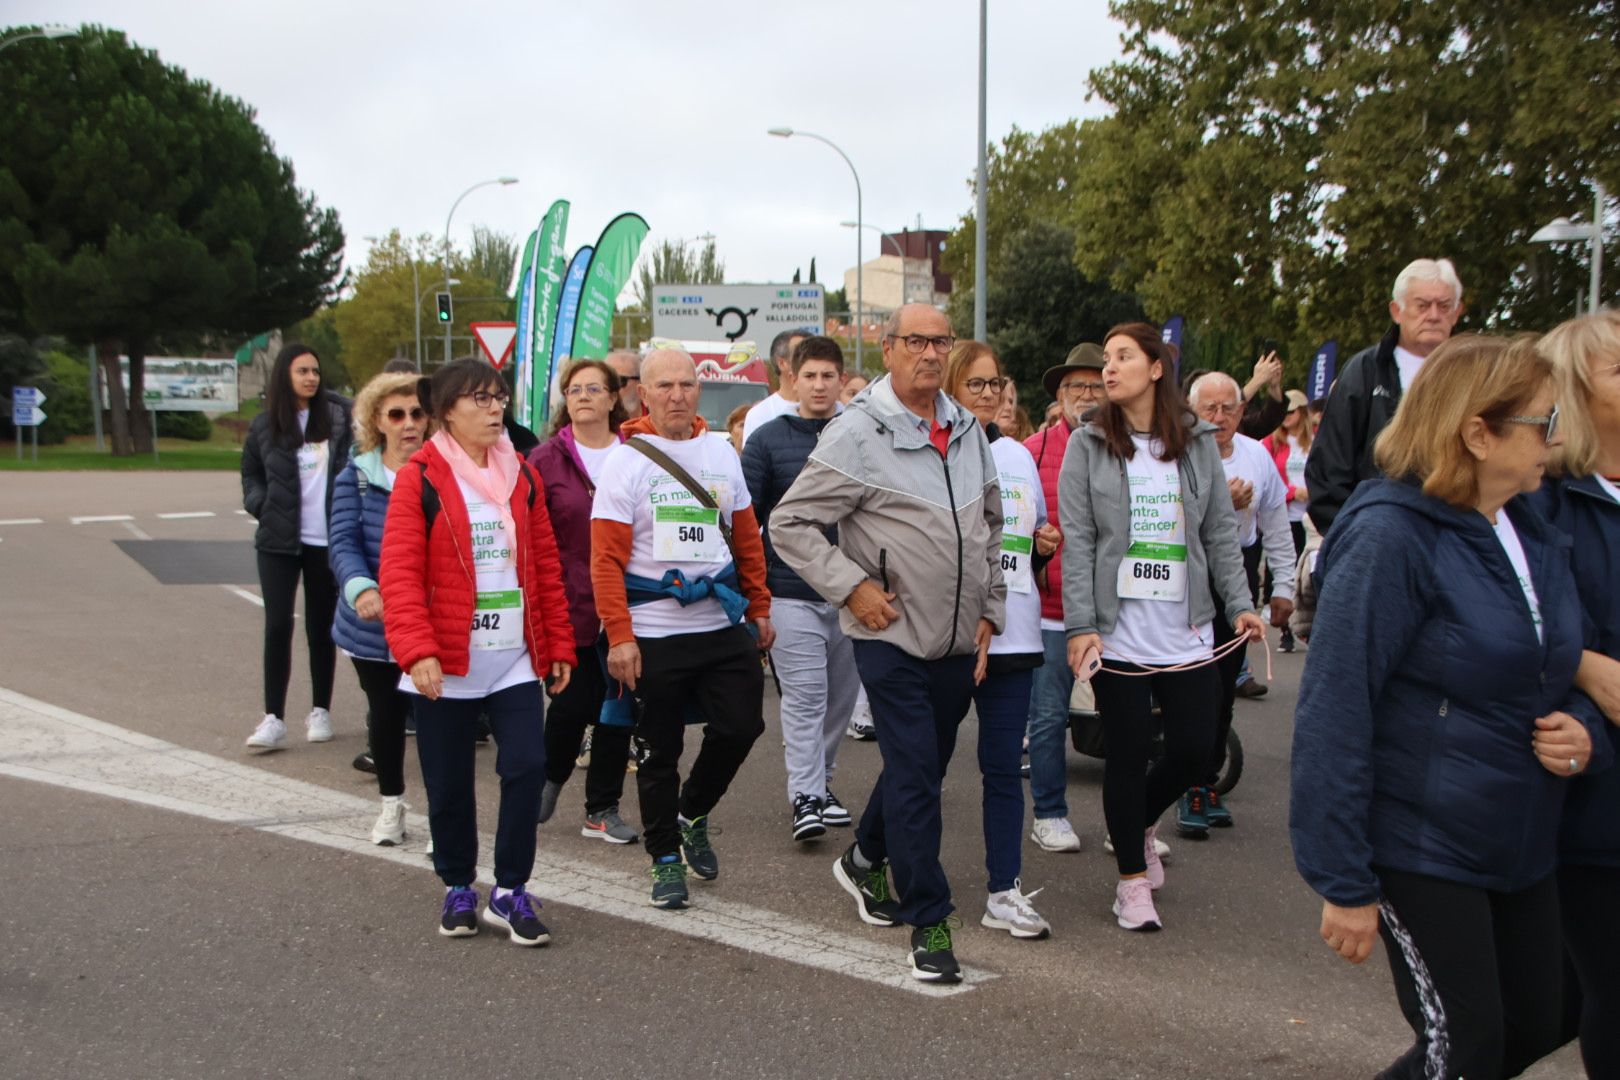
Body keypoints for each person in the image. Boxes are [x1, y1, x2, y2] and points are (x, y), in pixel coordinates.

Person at [1291, 334, 1604, 1079]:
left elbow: (1560, 664)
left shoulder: (1529, 524)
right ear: (1476, 432)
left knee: (1544, 1014)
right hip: (1420, 844)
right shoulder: (1389, 536)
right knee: (1466, 1046)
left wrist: (1587, 731)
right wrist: (1343, 878)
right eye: (1541, 422)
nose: (1556, 440)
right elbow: (1335, 708)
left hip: (1518, 835)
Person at [772, 303, 1005, 983]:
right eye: (915, 341)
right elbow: (788, 525)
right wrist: (851, 588)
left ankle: (862, 858)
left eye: (941, 341)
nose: (929, 353)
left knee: (921, 769)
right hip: (890, 635)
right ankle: (929, 920)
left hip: (959, 638)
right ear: (889, 347)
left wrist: (991, 608)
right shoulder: (856, 433)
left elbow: (990, 523)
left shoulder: (966, 429)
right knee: (914, 776)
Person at [1060, 322, 1265, 933]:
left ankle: (1141, 822)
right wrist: (1080, 626)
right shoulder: (1088, 442)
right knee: (1124, 754)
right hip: (1116, 630)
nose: (1109, 368)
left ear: (1156, 368)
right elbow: (1080, 543)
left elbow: (1220, 534)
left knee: (1194, 748)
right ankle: (1129, 883)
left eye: (1124, 357)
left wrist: (1242, 604)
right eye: (1107, 359)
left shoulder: (1196, 441)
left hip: (1188, 627)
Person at [379, 358, 576, 945]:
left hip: (511, 655)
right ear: (446, 412)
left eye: (500, 398)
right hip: (444, 659)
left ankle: (511, 890)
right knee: (448, 781)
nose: (495, 409)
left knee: (527, 765)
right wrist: (417, 650)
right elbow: (400, 573)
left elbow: (543, 566)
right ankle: (458, 884)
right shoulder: (421, 478)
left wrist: (558, 643)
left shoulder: (523, 475)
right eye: (480, 400)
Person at [590, 347, 774, 910]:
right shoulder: (625, 462)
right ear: (642, 394)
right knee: (657, 750)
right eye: (664, 386)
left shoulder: (721, 452)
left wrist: (759, 606)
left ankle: (691, 810)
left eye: (687, 385)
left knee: (743, 725)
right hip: (652, 628)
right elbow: (604, 560)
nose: (677, 395)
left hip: (717, 618)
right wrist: (619, 636)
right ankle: (665, 859)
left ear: (699, 390)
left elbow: (745, 538)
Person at [1529, 311, 1620, 1077]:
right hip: (1589, 782)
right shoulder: (1544, 498)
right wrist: (1586, 665)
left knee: (1542, 1008)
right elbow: (1508, 619)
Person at [947, 340, 1060, 939]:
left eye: (996, 385)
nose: (990, 394)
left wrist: (1041, 548)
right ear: (949, 388)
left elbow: (1017, 548)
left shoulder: (1017, 455)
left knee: (1000, 771)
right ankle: (870, 854)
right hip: (952, 637)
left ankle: (1003, 890)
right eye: (977, 384)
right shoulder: (935, 451)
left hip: (1014, 633)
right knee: (923, 762)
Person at [741, 336, 859, 842]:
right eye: (809, 375)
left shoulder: (861, 436)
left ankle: (824, 783)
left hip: (856, 593)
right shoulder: (767, 438)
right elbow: (745, 518)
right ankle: (805, 797)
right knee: (806, 698)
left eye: (828, 375)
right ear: (792, 376)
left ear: (839, 380)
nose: (818, 384)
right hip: (789, 591)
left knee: (840, 701)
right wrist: (754, 595)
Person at [527, 359, 638, 845]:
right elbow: (531, 538)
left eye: (595, 388)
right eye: (575, 390)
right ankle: (548, 780)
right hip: (569, 603)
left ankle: (602, 809)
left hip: (629, 602)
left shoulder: (637, 453)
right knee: (571, 706)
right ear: (565, 400)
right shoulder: (544, 460)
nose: (585, 396)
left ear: (615, 398)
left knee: (618, 708)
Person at [1179, 372, 1294, 835]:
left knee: (1225, 683)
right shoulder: (1179, 451)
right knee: (1190, 681)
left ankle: (1205, 781)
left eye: (1229, 408)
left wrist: (1284, 584)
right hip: (1186, 570)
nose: (1219, 417)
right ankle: (1183, 780)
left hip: (1238, 570)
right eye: (1209, 408)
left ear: (1242, 411)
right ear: (1191, 411)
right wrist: (1220, 505)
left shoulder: (1258, 455)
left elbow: (1277, 523)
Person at [328, 372, 425, 845]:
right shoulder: (357, 477)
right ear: (377, 421)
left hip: (431, 619)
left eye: (417, 413)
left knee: (435, 718)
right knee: (385, 716)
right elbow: (343, 542)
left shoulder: (443, 473)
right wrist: (362, 588)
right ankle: (391, 805)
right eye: (397, 414)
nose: (409, 423)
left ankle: (443, 818)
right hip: (374, 624)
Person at [241, 343, 353, 750]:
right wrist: (261, 505)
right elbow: (250, 475)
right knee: (277, 626)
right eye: (302, 371)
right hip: (278, 541)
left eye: (315, 371)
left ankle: (320, 710)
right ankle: (274, 717)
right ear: (284, 375)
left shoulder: (337, 419)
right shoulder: (264, 427)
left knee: (320, 628)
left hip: (324, 541)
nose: (311, 378)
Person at [1022, 342, 1107, 854]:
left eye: (1097, 385)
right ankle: (1050, 813)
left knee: (1126, 721)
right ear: (1060, 394)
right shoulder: (1032, 451)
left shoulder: (1127, 448)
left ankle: (1132, 823)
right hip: (1050, 613)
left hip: (1113, 612)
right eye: (1077, 386)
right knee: (1049, 718)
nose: (1087, 394)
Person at [1306, 258, 1464, 532]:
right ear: (1397, 311)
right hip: (1378, 536)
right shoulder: (1365, 372)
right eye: (1423, 305)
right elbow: (1329, 469)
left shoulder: (1475, 376)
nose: (1434, 315)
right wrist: (1357, 536)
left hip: (1456, 536)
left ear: (1457, 312)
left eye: (1444, 305)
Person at [1264, 389, 1313, 652]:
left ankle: (1307, 625)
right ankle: (1285, 630)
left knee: (1309, 575)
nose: (1286, 416)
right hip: (1284, 514)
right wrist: (1293, 492)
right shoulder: (1272, 443)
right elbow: (1267, 479)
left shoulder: (1315, 441)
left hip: (1310, 517)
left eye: (1291, 412)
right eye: (1284, 412)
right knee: (1283, 569)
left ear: (1302, 413)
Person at [739, 330, 810, 445]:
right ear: (782, 363)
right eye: (801, 354)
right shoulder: (759, 414)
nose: (811, 360)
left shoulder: (836, 411)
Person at [606, 349, 643, 416]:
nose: (611, 388)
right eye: (606, 381)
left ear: (640, 383)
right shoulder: (592, 422)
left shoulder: (658, 420)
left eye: (620, 381)